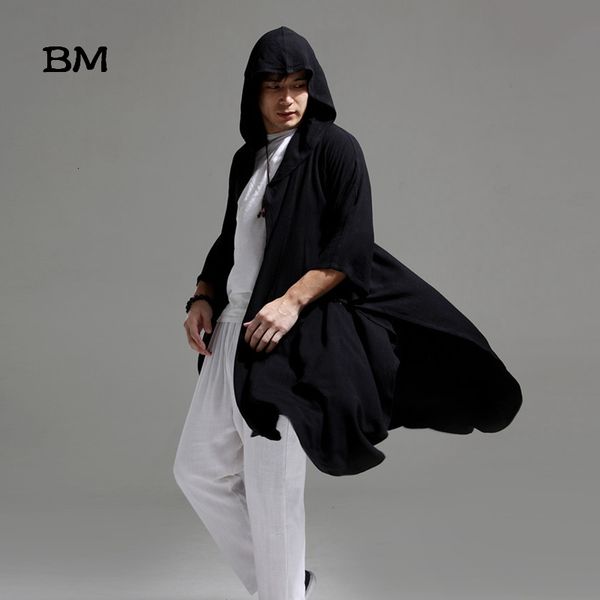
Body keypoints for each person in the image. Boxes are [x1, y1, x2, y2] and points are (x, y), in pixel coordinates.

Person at [174, 26, 523, 600]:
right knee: (197, 470)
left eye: (297, 85)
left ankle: (283, 594)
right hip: (231, 331)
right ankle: (288, 585)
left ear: (312, 88)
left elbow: (352, 244)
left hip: (284, 338)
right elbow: (229, 240)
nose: (288, 99)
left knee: (271, 485)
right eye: (274, 86)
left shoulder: (334, 148)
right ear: (253, 93)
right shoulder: (246, 159)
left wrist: (290, 303)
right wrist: (202, 296)